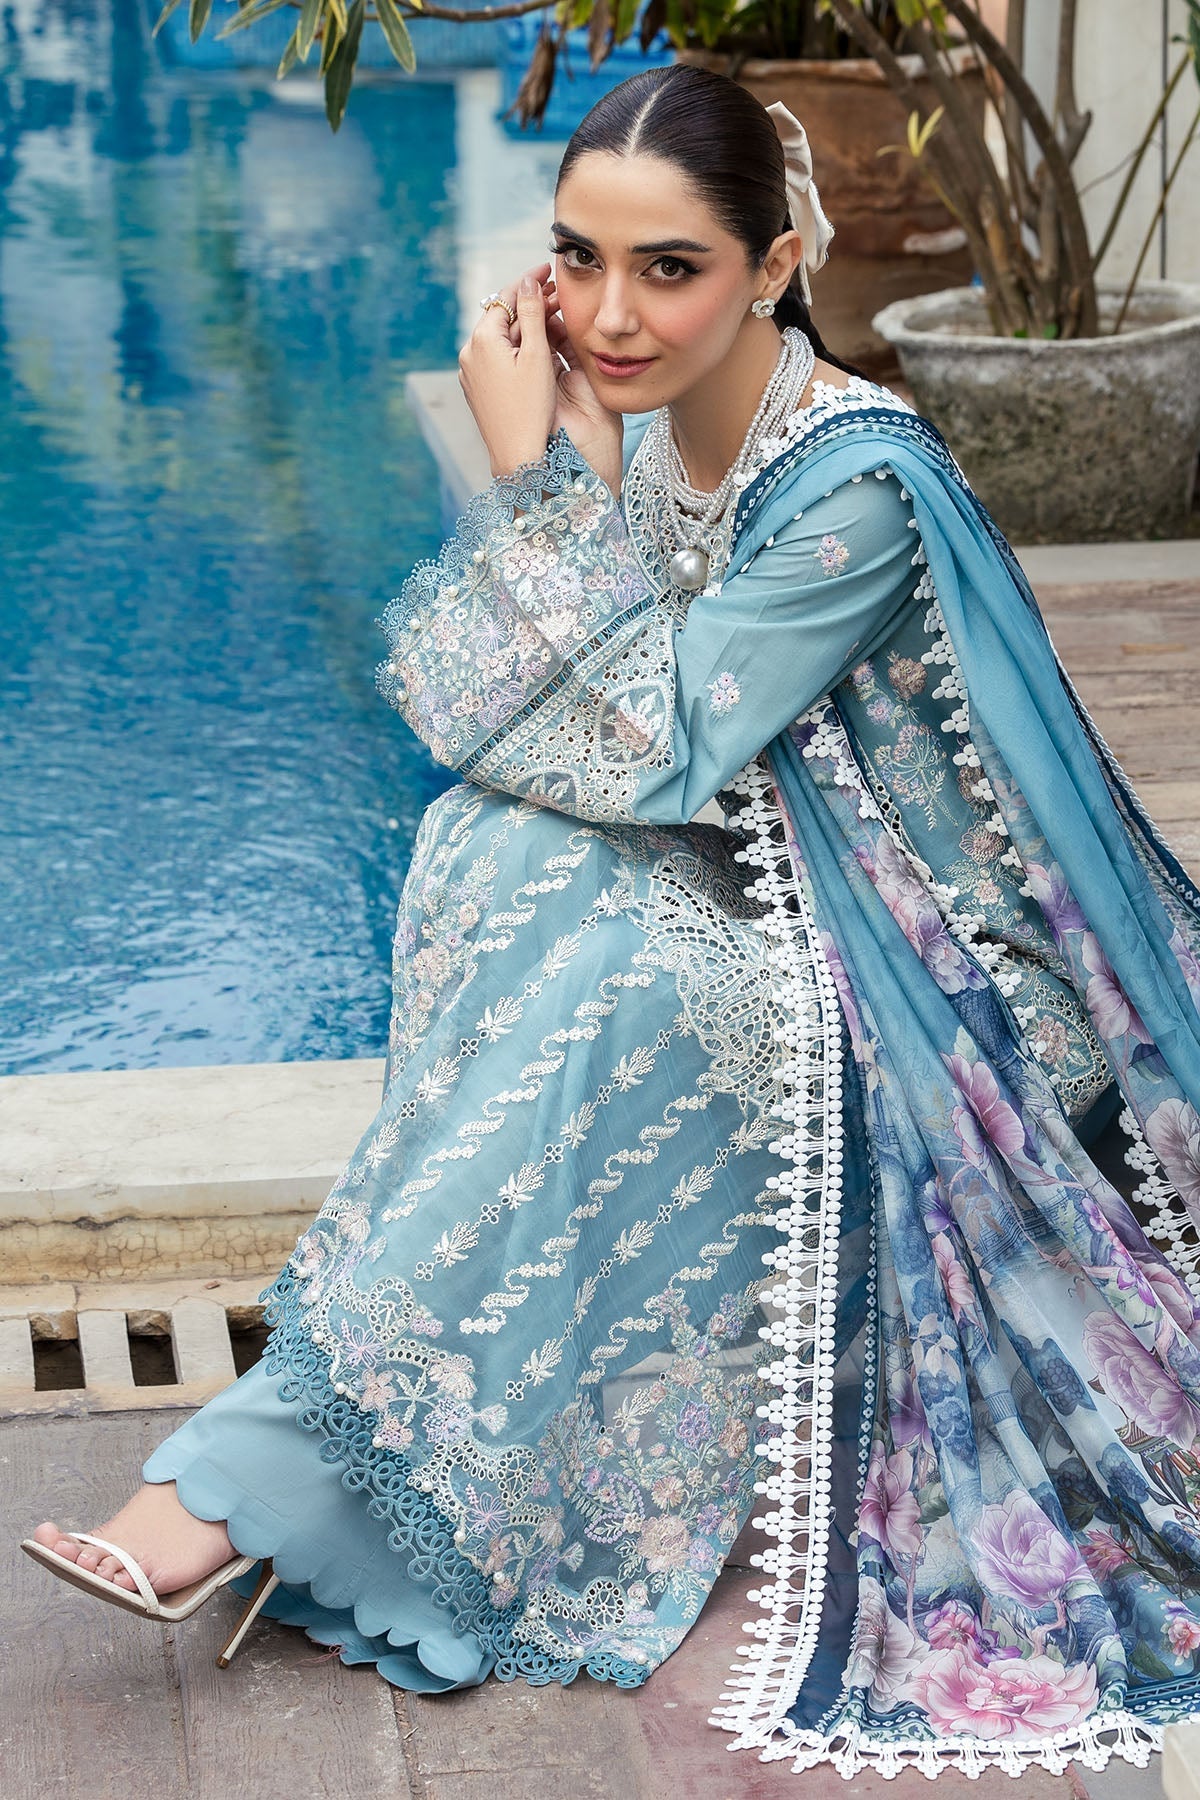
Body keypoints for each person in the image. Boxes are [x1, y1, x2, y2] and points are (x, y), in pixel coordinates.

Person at [22, 59, 1200, 1781]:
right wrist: (577, 476)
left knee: (616, 971)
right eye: (580, 258)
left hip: (948, 982)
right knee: (498, 854)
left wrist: (533, 479)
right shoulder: (668, 441)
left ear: (776, 265)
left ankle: (252, 1477)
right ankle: (329, 1460)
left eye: (672, 268)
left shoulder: (854, 486)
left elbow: (646, 745)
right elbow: (518, 732)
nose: (612, 313)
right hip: (779, 893)